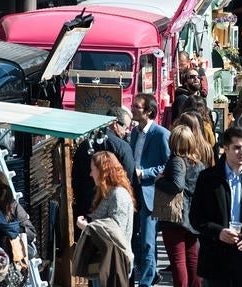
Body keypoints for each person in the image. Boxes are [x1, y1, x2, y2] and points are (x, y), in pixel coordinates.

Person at [189, 127, 242, 287]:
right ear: (225, 149)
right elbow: (196, 217)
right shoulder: (208, 178)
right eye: (237, 147)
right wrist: (218, 232)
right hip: (216, 258)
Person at [72, 106, 135, 239]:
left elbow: (75, 178)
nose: (126, 132)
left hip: (86, 206)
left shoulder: (84, 145)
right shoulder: (122, 147)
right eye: (125, 127)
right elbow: (130, 178)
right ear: (114, 123)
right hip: (110, 210)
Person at [155, 126, 205, 287]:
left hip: (175, 218)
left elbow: (177, 185)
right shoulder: (198, 163)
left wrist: (160, 181)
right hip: (192, 217)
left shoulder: (176, 160)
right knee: (193, 260)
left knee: (178, 262)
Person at [76, 151, 136, 287]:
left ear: (103, 171)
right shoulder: (107, 192)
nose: (90, 174)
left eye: (93, 170)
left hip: (114, 263)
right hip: (104, 261)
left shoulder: (118, 195)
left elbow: (116, 232)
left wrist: (86, 227)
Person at [130, 94, 171, 287]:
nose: (132, 109)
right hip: (134, 191)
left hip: (150, 193)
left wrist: (144, 173)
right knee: (135, 237)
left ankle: (146, 282)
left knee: (148, 240)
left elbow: (168, 165)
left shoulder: (161, 134)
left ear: (148, 111)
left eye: (137, 107)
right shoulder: (134, 133)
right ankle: (151, 272)